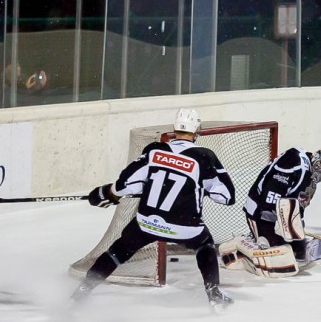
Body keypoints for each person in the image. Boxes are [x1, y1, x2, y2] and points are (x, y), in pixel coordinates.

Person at [72, 108, 236, 309]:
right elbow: (226, 197)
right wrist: (201, 186)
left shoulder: (155, 150)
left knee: (119, 250)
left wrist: (107, 193)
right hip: (185, 227)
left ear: (174, 129)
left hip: (147, 223)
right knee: (206, 246)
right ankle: (214, 294)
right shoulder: (204, 156)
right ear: (197, 131)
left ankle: (82, 291)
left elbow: (126, 185)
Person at [218, 147, 321, 277]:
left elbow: (298, 208)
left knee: (298, 250)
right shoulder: (294, 159)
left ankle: (266, 239)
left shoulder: (310, 180)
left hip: (275, 215)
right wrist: (284, 221)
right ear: (319, 163)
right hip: (259, 211)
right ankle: (243, 244)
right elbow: (271, 194)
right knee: (274, 250)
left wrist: (296, 228)